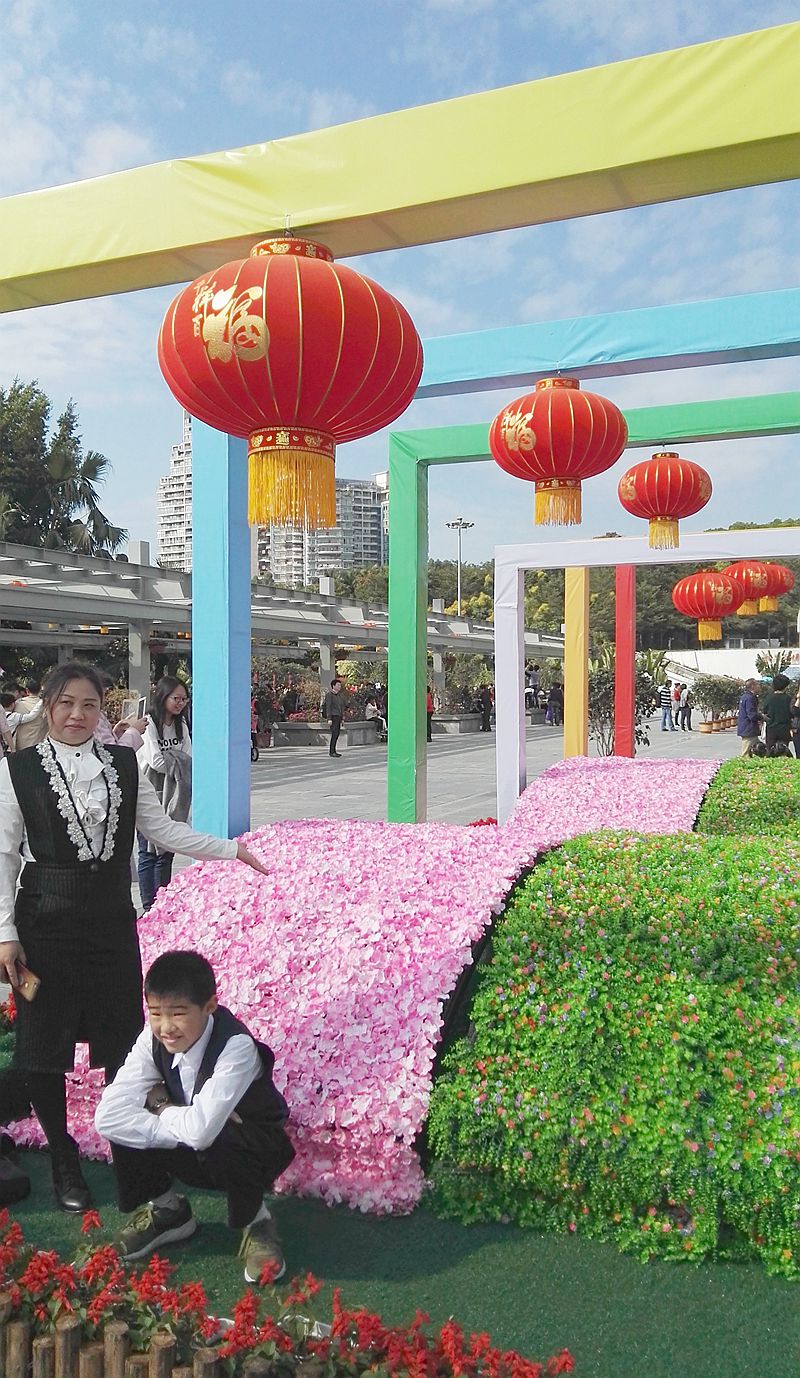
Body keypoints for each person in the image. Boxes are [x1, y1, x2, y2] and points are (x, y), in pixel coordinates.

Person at [0, 661, 268, 1213]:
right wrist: (5, 933)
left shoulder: (123, 764)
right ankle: (63, 1158)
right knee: (43, 1047)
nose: (77, 715)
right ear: (48, 706)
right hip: (44, 922)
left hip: (110, 923)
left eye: (89, 705)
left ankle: (131, 1155)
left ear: (103, 711)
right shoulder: (17, 771)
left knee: (122, 1041)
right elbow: (2, 856)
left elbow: (161, 829)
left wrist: (230, 849)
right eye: (66, 703)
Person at [95, 951, 294, 1280]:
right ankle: (169, 1211)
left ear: (210, 1006)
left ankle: (257, 1221)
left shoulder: (236, 1047)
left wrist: (162, 1106)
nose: (166, 1027)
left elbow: (202, 1133)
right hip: (195, 1144)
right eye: (156, 1013)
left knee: (220, 1132)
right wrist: (188, 1122)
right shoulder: (151, 1040)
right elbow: (108, 1117)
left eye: (178, 1013)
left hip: (250, 1150)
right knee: (128, 1123)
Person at [137, 677, 192, 912]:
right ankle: (149, 906)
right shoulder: (148, 723)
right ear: (163, 696)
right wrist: (177, 759)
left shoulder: (181, 725)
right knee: (148, 852)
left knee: (168, 849)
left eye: (184, 699)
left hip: (174, 794)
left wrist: (175, 759)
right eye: (176, 698)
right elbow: (155, 761)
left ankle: (163, 903)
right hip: (149, 791)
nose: (180, 703)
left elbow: (188, 757)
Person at [761, 673, 793, 752]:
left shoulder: (768, 698)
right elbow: (791, 713)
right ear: (785, 686)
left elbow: (764, 711)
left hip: (771, 729)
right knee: (783, 751)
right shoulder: (788, 698)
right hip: (784, 729)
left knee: (770, 751)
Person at [14, 680, 47, 751]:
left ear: (27, 690)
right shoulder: (45, 705)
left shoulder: (18, 704)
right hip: (38, 743)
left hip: (21, 744)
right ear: (40, 690)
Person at [736, 678, 762, 756]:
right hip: (749, 729)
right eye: (757, 684)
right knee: (746, 752)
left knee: (758, 749)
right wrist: (762, 717)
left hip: (747, 728)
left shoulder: (745, 696)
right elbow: (752, 715)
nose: (759, 686)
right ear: (753, 686)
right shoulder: (750, 698)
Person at [324, 678, 344, 757]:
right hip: (333, 716)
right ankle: (332, 751)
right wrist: (329, 718)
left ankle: (334, 750)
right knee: (334, 733)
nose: (339, 687)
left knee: (337, 734)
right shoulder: (329, 695)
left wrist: (342, 718)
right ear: (333, 686)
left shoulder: (339, 696)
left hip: (338, 716)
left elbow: (341, 707)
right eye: (338, 685)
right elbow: (328, 707)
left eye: (340, 685)